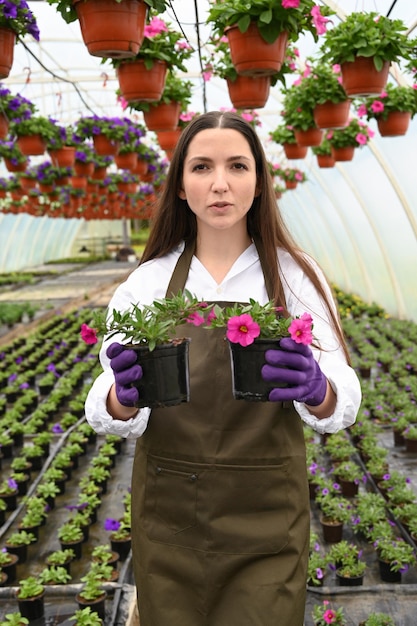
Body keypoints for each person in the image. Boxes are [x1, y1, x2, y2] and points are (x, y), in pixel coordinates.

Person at [85, 110, 361, 626]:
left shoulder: (296, 276)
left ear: (258, 183)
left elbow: (343, 395)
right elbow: (105, 400)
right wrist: (122, 395)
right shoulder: (149, 282)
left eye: (237, 166)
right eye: (201, 168)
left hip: (266, 519)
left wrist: (317, 386)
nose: (219, 184)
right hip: (171, 520)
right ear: (181, 186)